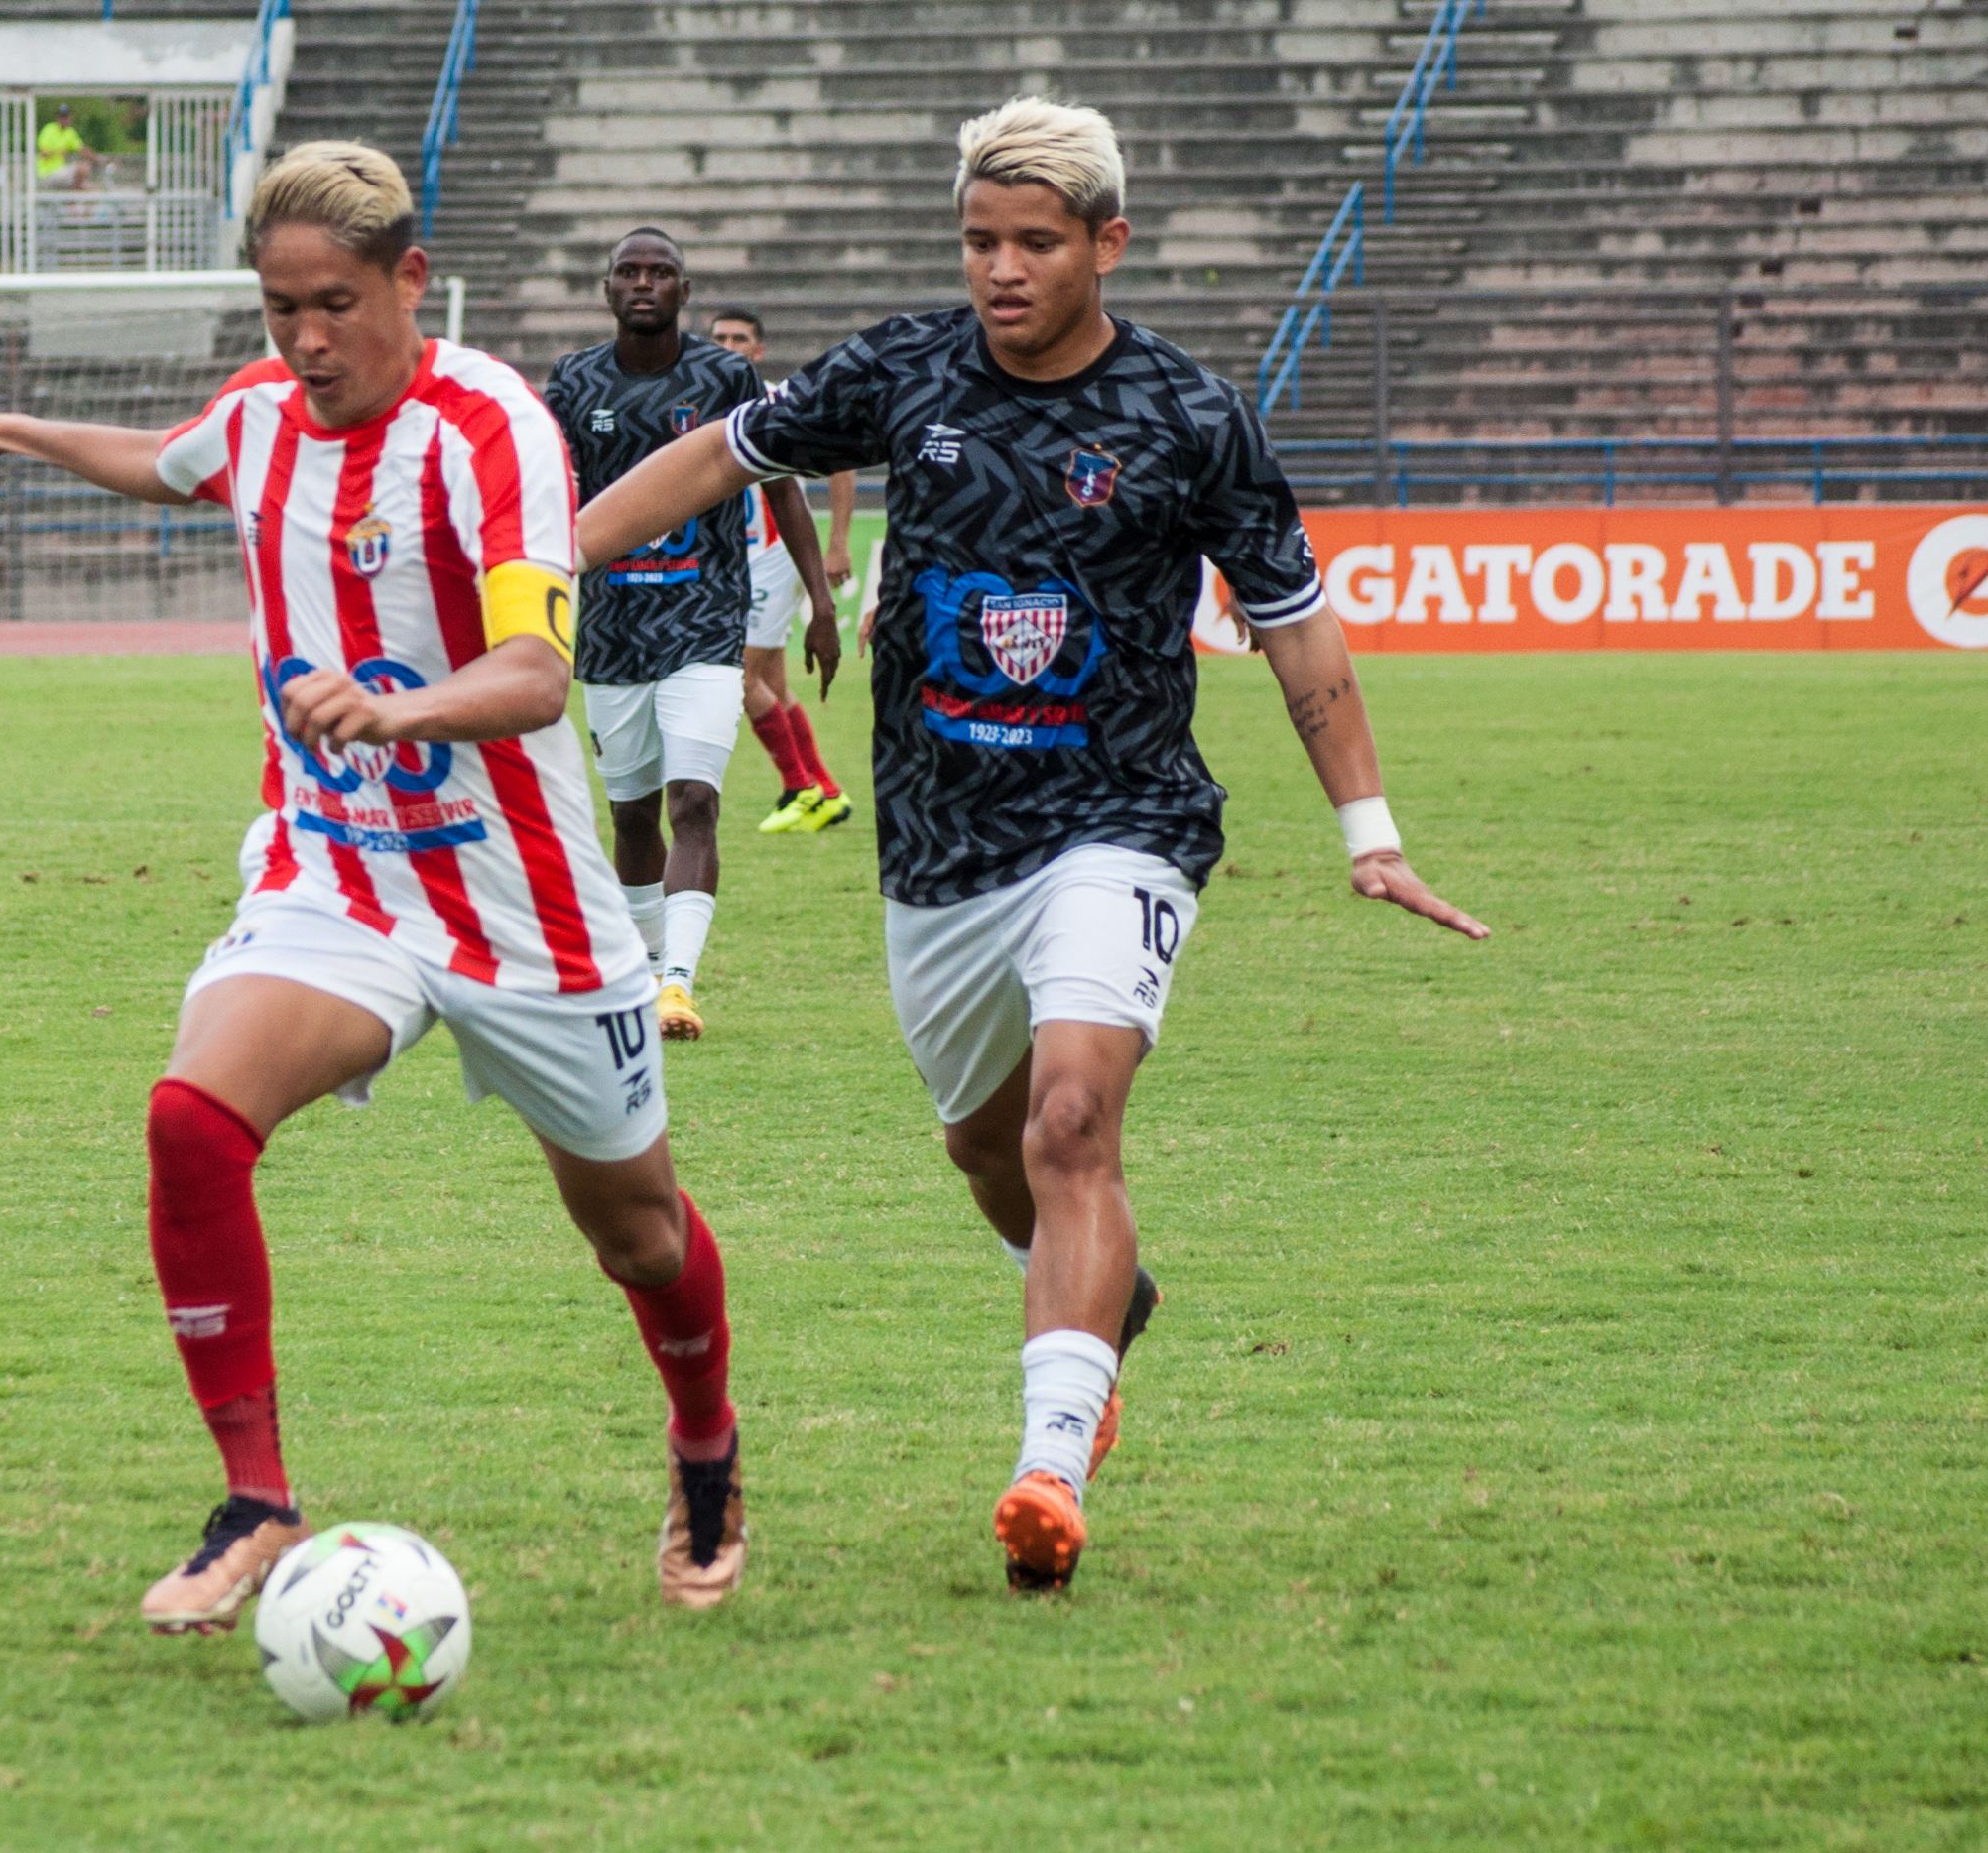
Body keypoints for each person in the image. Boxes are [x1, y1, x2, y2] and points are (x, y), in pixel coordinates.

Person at [574, 97, 1488, 1593]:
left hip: (1121, 824)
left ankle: (1050, 1466)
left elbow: (1295, 618)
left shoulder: (1191, 419)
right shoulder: (901, 366)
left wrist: (1368, 832)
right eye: (982, 240)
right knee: (986, 1151)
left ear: (1106, 245)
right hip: (938, 845)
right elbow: (716, 458)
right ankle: (1093, 1303)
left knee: (1073, 1124)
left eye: (1036, 243)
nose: (1002, 269)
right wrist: (550, 555)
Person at [0, 143, 751, 1629]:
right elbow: (162, 461)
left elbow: (539, 672)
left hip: (524, 900)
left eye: (335, 305)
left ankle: (704, 1447)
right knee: (190, 1118)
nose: (304, 340)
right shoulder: (257, 421)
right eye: (281, 307)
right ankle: (255, 1500)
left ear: (409, 282)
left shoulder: (498, 431)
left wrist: (393, 706)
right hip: (337, 873)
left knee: (639, 1235)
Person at [545, 233, 839, 1041]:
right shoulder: (572, 382)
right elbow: (540, 494)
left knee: (695, 802)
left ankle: (678, 983)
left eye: (660, 272)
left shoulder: (725, 376)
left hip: (706, 621)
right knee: (633, 816)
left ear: (685, 288)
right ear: (606, 288)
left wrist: (820, 600)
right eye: (629, 272)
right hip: (608, 632)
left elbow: (779, 486)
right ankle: (642, 971)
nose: (644, 283)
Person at [705, 308, 853, 833]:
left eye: (739, 338)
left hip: (774, 553)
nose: (727, 345)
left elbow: (840, 459)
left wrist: (837, 544)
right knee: (771, 681)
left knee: (738, 678)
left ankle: (800, 786)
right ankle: (826, 791)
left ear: (758, 350)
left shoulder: (777, 400)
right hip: (742, 558)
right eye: (718, 337)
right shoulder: (700, 398)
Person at [36, 104, 90, 190]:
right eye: (62, 117)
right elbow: (43, 153)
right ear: (57, 118)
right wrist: (59, 152)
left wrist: (99, 158)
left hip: (62, 174)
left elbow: (82, 149)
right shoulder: (49, 129)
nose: (65, 119)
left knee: (90, 189)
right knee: (82, 168)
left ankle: (73, 201)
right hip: (48, 173)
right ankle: (73, 201)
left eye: (67, 116)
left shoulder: (70, 132)